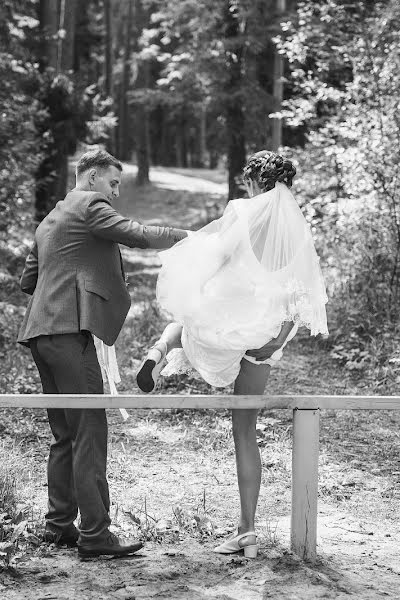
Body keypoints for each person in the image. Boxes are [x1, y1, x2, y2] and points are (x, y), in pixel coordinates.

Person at [136, 150, 329, 558]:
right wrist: (279, 338)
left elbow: (216, 258)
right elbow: (302, 290)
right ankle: (247, 530)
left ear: (255, 183)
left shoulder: (243, 212)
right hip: (267, 335)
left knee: (185, 323)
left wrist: (193, 289)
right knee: (246, 431)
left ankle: (159, 350)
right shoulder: (297, 228)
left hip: (233, 323)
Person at [17, 148, 188, 558]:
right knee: (90, 431)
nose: (114, 193)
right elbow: (137, 234)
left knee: (65, 434)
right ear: (91, 177)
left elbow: (29, 280)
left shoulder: (50, 219)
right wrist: (191, 238)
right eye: (113, 183)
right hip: (68, 333)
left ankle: (60, 525)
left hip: (41, 332)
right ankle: (95, 534)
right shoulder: (89, 204)